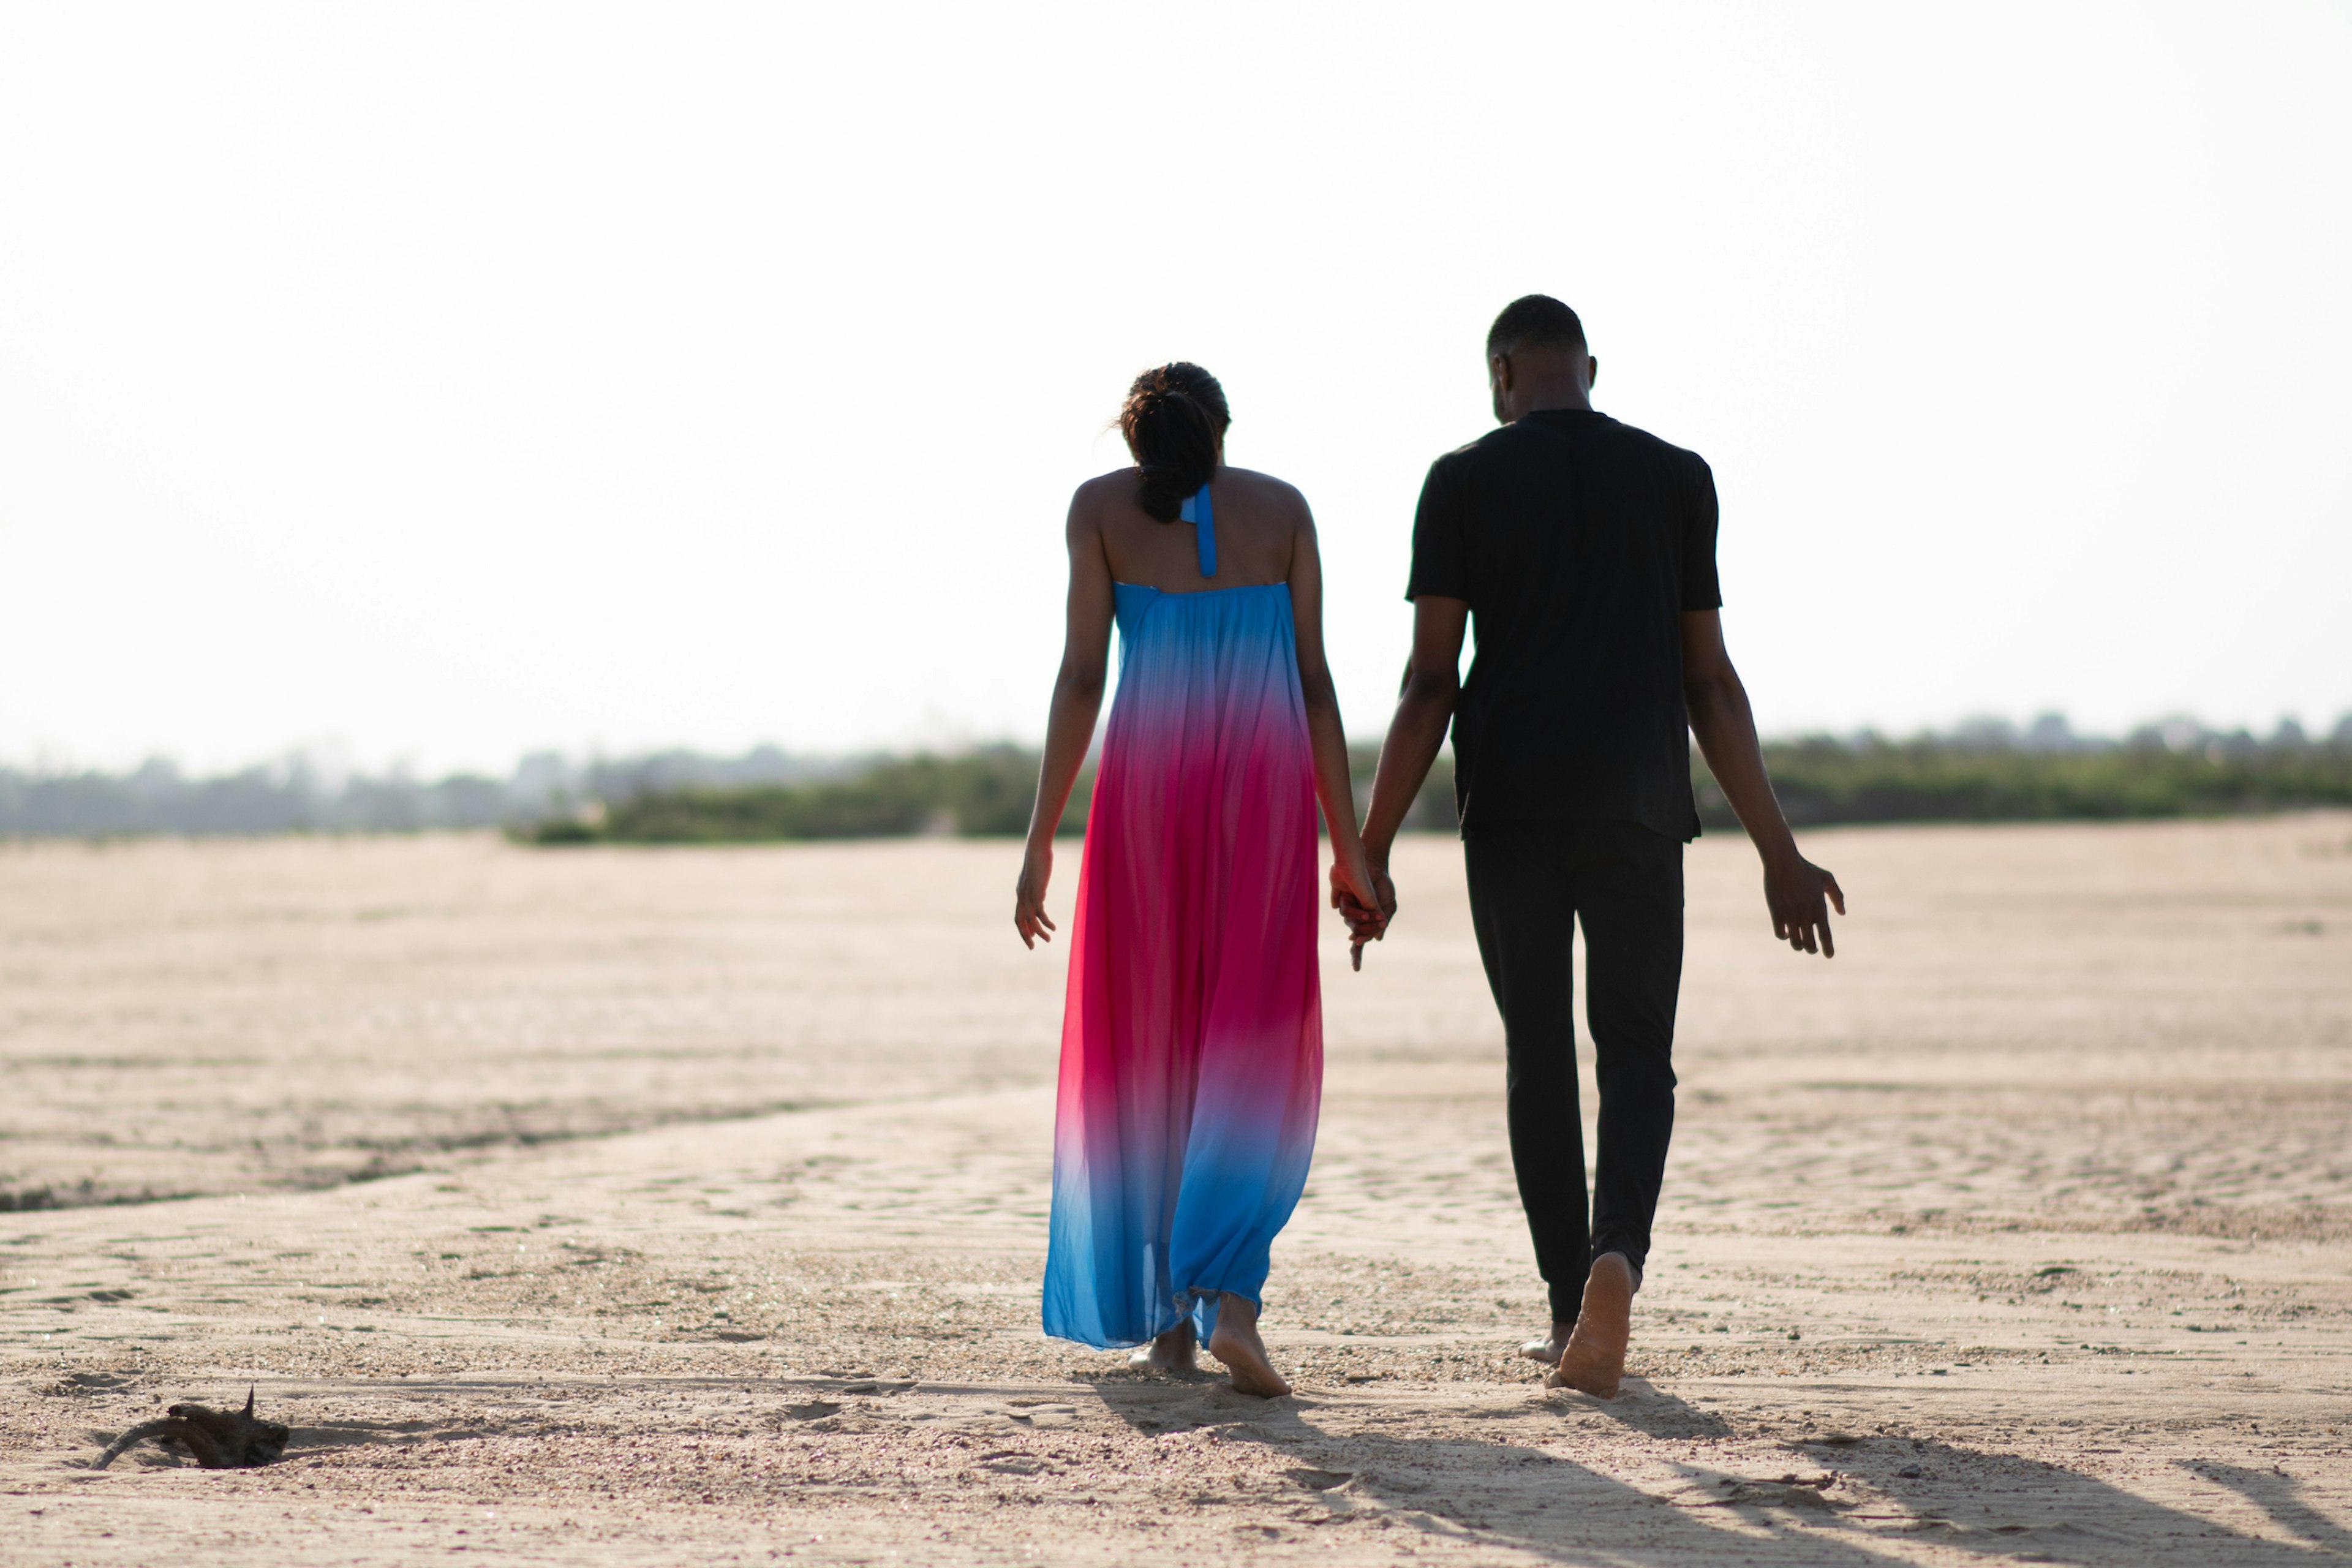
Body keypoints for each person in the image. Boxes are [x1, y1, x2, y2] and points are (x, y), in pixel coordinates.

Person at [1349, 296, 1844, 1397]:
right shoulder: (1678, 476)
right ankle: (1617, 1256)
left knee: (1538, 1054)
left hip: (1513, 805)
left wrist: (1371, 847)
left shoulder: (1462, 479)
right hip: (1636, 802)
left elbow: (1431, 681)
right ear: (1589, 368)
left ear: (1503, 375)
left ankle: (1570, 1304)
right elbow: (1707, 679)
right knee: (1635, 1051)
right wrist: (1779, 850)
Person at [1014, 363, 1383, 1398]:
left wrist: (1041, 836)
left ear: (1137, 442)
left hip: (1145, 797)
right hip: (1265, 797)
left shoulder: (1098, 512)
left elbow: (1082, 674)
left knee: (1152, 1036)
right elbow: (1315, 684)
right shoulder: (1286, 511)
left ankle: (1168, 1326)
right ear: (1224, 428)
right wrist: (1349, 851)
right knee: (1254, 1033)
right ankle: (1232, 1299)